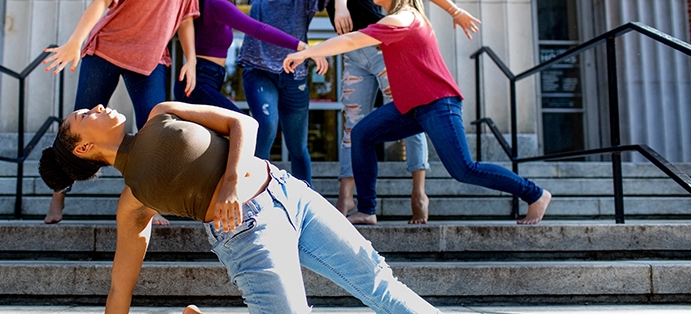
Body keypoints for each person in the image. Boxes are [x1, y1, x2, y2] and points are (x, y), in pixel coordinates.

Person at [37, 102, 440, 313]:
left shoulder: (162, 113)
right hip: (247, 233)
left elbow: (242, 124)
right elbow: (119, 289)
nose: (99, 107)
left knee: (379, 282)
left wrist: (230, 182)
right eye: (86, 115)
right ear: (83, 147)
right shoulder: (134, 201)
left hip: (287, 192)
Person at [284, 0, 552, 225]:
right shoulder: (398, 16)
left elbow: (352, 39)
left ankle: (535, 194)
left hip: (437, 104)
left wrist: (307, 52)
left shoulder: (403, 18)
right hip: (410, 107)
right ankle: (366, 209)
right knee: (363, 133)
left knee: (464, 169)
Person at [318, 0, 482, 224]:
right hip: (353, 57)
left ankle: (418, 192)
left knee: (409, 113)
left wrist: (456, 11)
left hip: (380, 50)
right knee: (354, 126)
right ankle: (346, 196)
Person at [40, 0, 200, 224]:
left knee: (156, 131)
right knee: (76, 128)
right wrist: (75, 42)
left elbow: (185, 20)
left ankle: (149, 200)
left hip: (150, 60)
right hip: (107, 50)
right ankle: (59, 194)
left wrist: (191, 59)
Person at [237, 0, 351, 185]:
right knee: (266, 124)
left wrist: (341, 8)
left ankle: (305, 201)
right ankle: (253, 194)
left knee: (297, 146)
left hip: (293, 75)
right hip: (257, 70)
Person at [174, 0, 311, 113]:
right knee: (243, 124)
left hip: (208, 80)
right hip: (198, 83)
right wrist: (301, 45)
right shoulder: (215, 4)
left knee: (223, 134)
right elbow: (259, 30)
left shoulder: (208, 2)